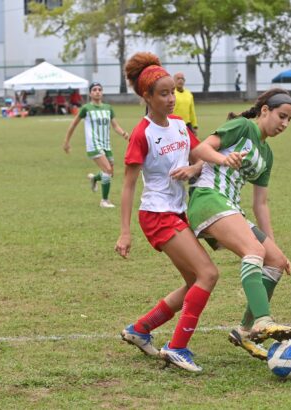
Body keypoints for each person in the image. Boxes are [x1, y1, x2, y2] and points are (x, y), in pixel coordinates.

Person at [115, 52, 218, 373]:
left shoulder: (179, 126)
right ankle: (177, 347)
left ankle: (140, 329)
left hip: (178, 212)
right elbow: (129, 185)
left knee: (193, 281)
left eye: (173, 91)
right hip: (157, 215)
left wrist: (193, 168)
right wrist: (125, 231)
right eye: (164, 93)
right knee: (209, 274)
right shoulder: (141, 133)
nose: (172, 98)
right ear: (147, 97)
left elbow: (203, 157)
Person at [186, 88, 291, 360]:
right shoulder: (242, 127)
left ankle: (245, 331)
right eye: (281, 116)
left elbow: (261, 204)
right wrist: (224, 158)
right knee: (254, 251)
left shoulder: (267, 155)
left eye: (289, 120)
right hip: (208, 198)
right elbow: (200, 148)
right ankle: (263, 320)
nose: (284, 124)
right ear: (265, 111)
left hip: (231, 209)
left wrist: (273, 244)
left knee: (275, 261)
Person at [63, 82, 130, 208]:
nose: (97, 91)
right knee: (107, 170)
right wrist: (66, 142)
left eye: (100, 89)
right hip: (93, 144)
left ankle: (94, 178)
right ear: (90, 93)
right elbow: (73, 124)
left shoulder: (108, 108)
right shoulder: (86, 109)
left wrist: (125, 134)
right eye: (94, 89)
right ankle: (104, 201)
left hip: (106, 144)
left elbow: (115, 125)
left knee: (110, 173)